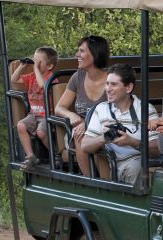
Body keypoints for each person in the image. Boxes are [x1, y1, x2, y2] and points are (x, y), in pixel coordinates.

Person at [81, 63, 159, 185]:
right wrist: (105, 137)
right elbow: (85, 146)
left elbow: (157, 149)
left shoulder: (145, 109)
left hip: (138, 161)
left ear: (128, 88)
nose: (107, 89)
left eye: (113, 84)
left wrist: (131, 142)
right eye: (107, 84)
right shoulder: (101, 109)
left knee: (136, 166)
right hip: (110, 163)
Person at [55, 35, 109, 176]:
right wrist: (71, 114)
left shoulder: (111, 81)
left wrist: (89, 123)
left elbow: (114, 111)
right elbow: (59, 108)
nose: (77, 55)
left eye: (82, 51)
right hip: (80, 130)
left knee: (88, 133)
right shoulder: (77, 77)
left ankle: (107, 180)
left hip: (105, 125)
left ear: (95, 54)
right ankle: (89, 179)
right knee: (81, 135)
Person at [11, 46, 58, 170]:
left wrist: (35, 69)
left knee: (41, 133)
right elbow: (13, 79)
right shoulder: (31, 76)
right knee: (20, 126)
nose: (35, 64)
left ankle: (55, 153)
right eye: (34, 60)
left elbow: (43, 85)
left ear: (49, 66)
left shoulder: (51, 77)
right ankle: (31, 156)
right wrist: (22, 66)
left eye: (38, 62)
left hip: (47, 114)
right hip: (34, 114)